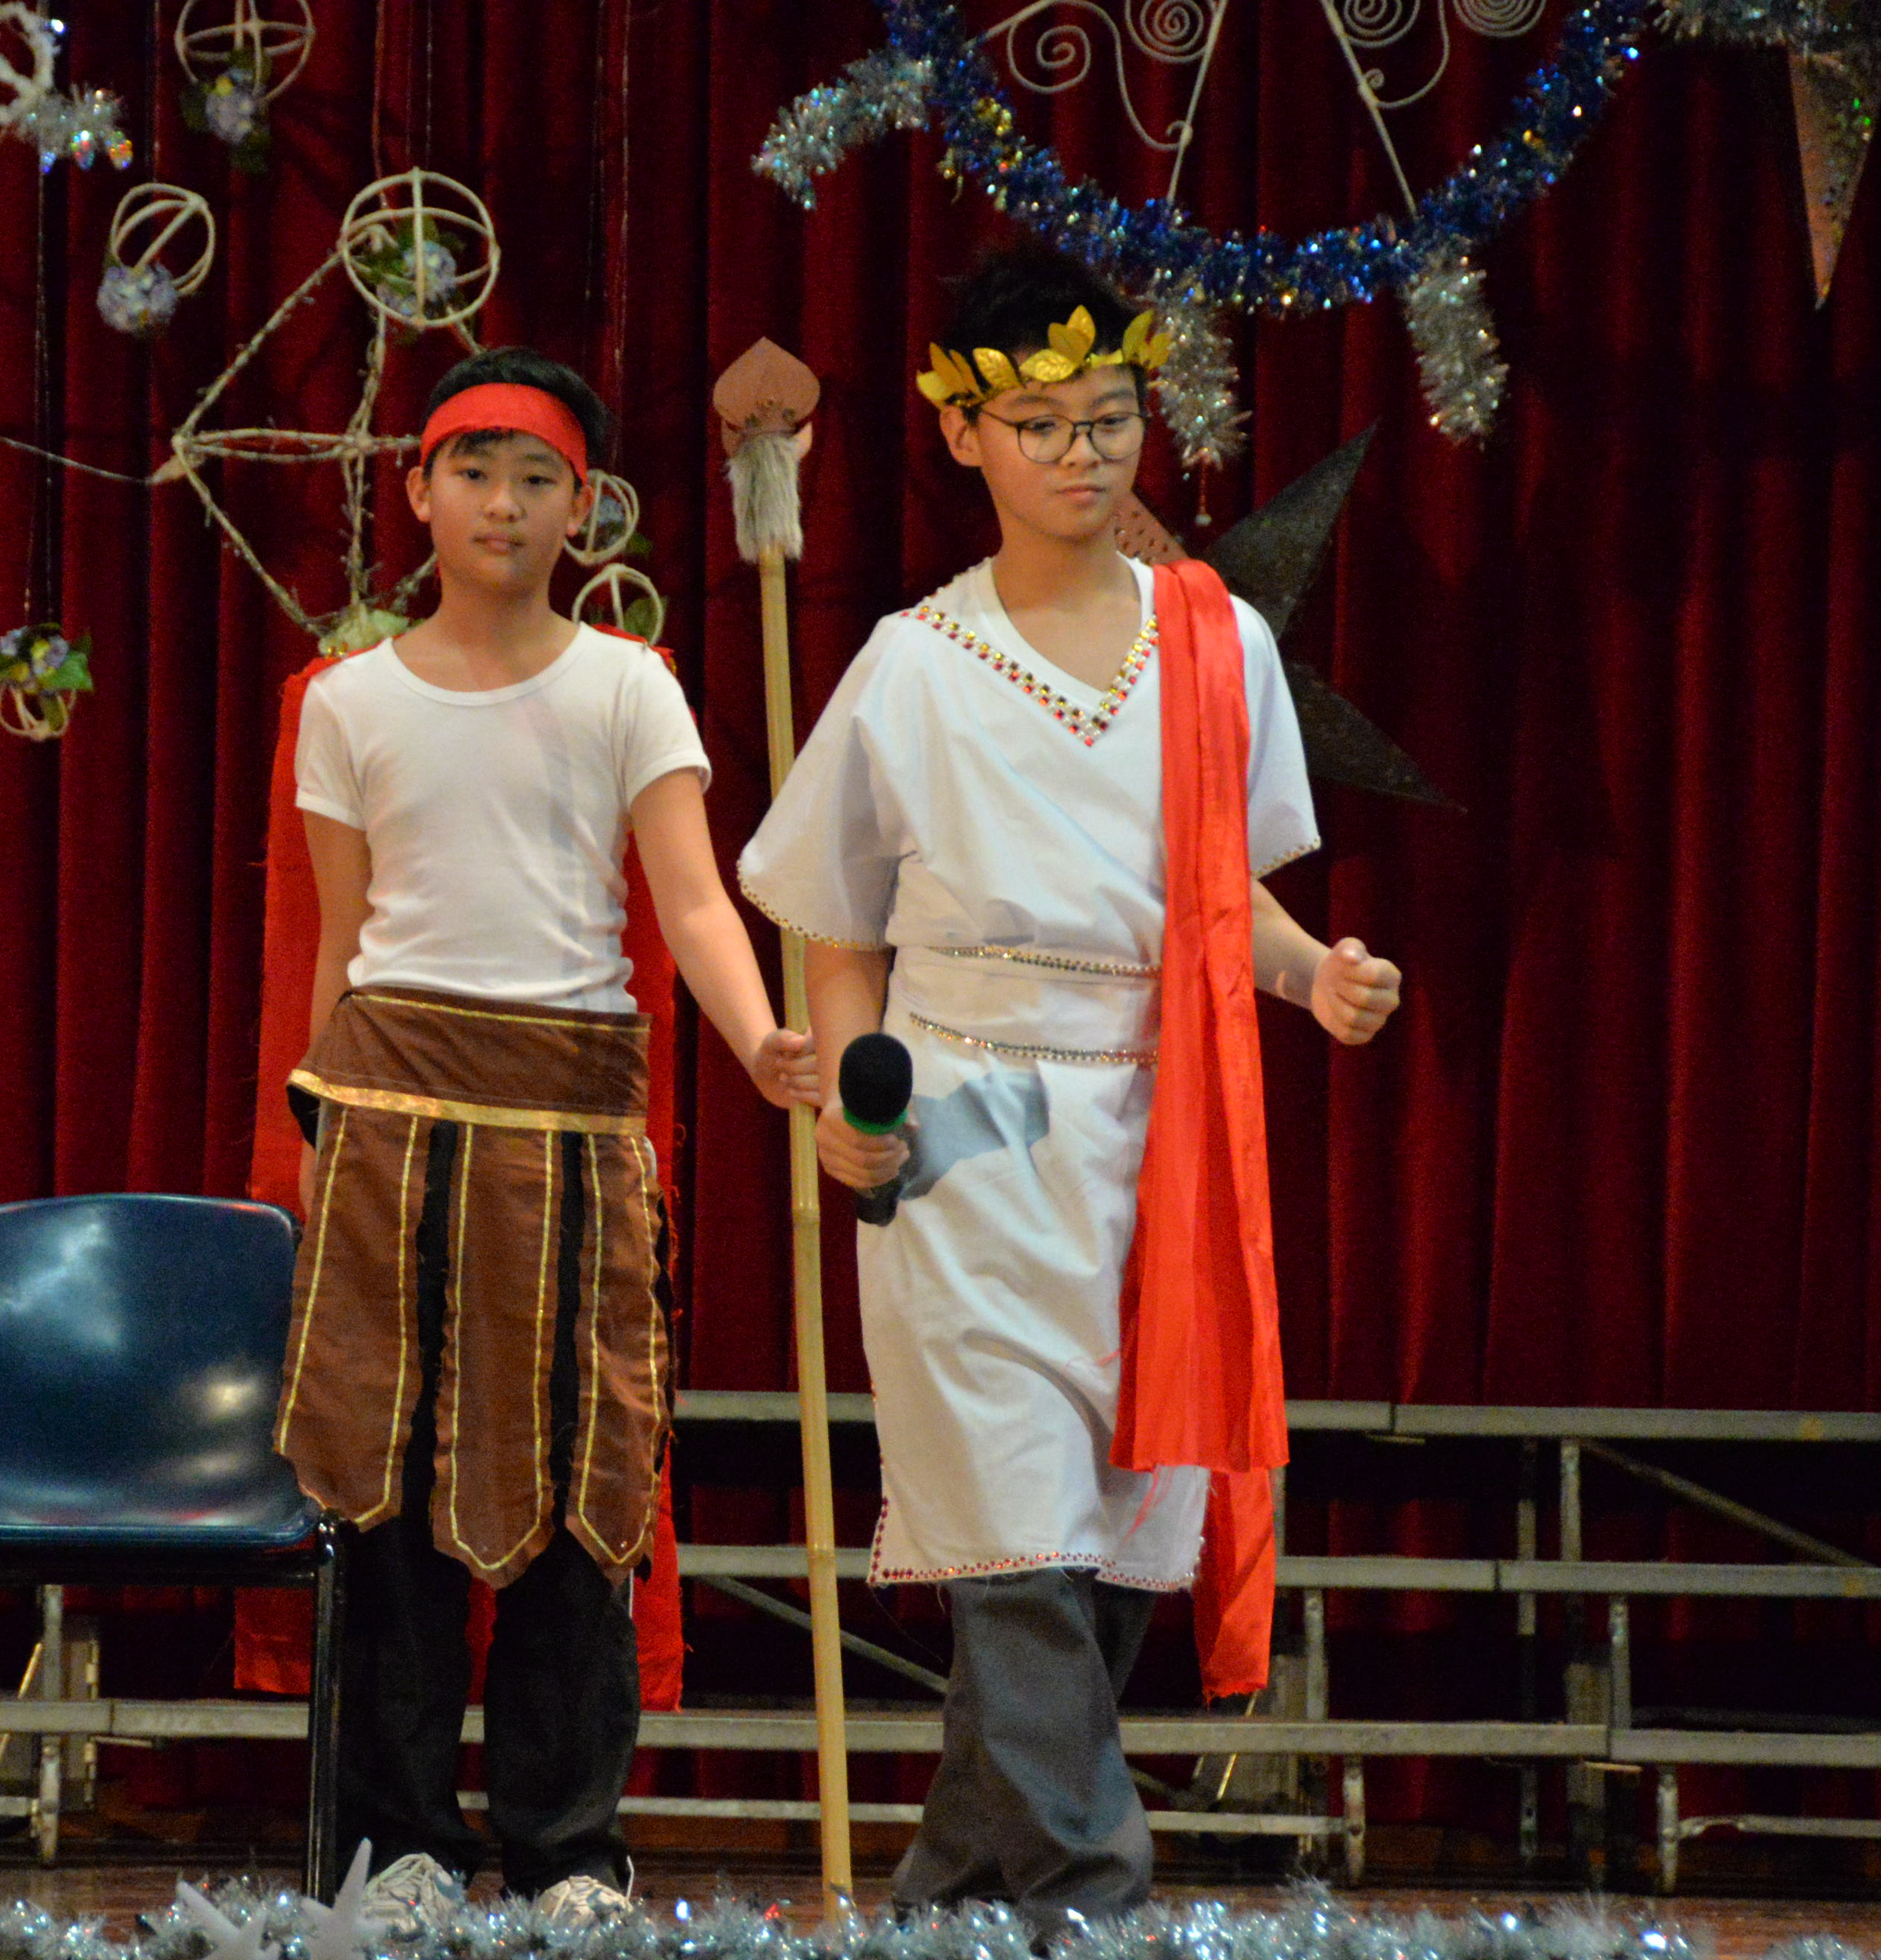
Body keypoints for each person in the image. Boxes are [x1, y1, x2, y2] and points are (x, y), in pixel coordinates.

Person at [737, 247, 1403, 1939]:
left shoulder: (1218, 643)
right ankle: (1097, 1903)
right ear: (964, 433)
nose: (1082, 454)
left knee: (1099, 1562)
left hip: (1159, 1128)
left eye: (1110, 418)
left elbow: (1227, 905)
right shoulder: (913, 660)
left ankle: (948, 1901)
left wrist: (1313, 974)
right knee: (1016, 1545)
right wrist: (854, 1101)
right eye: (1040, 424)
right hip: (968, 1111)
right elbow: (834, 914)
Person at [277, 346, 814, 1933]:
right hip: (387, 1119)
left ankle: (569, 1847)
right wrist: (314, 1119)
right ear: (417, 492)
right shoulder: (347, 701)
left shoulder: (627, 686)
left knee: (586, 1486)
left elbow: (692, 901)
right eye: (473, 472)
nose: (502, 505)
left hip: (571, 1131)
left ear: (582, 506)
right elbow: (342, 937)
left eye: (536, 479)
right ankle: (397, 1843)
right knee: (382, 1492)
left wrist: (759, 1038)